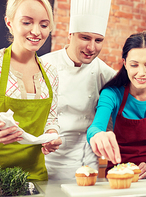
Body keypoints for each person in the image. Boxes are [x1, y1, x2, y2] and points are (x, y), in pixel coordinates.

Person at [0, 0, 62, 184]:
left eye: (44, 24)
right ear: (10, 23)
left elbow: (51, 119)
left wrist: (52, 135)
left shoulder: (50, 72)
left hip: (33, 178)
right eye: (27, 22)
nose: (37, 31)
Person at [40, 0, 116, 180]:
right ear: (71, 34)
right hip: (46, 162)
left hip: (87, 164)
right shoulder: (44, 65)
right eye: (85, 38)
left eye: (98, 40)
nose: (92, 47)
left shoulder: (105, 73)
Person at [87, 31, 146, 179]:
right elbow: (95, 127)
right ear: (125, 64)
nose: (141, 73)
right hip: (119, 172)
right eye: (134, 65)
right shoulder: (112, 93)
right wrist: (97, 135)